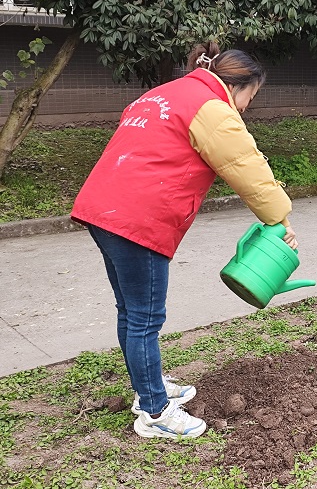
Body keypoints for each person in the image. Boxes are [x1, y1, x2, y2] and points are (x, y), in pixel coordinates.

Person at [71, 42, 298, 438]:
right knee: (145, 318)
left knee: (130, 310)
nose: (246, 107)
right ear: (237, 84)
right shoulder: (211, 107)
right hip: (138, 220)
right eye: (250, 96)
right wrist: (280, 217)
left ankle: (149, 386)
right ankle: (156, 412)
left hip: (101, 210)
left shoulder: (163, 93)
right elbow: (247, 167)